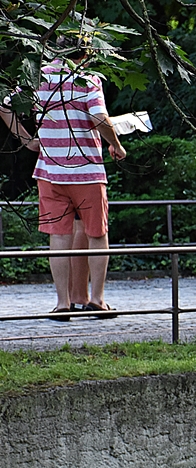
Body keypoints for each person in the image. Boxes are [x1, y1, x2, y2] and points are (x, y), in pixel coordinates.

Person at [1, 35, 126, 320]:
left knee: (58, 236)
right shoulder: (88, 79)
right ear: (87, 53)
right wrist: (116, 145)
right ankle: (97, 300)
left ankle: (62, 303)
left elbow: (4, 105)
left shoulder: (38, 77)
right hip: (87, 172)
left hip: (49, 171)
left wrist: (28, 138)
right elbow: (97, 118)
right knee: (97, 233)